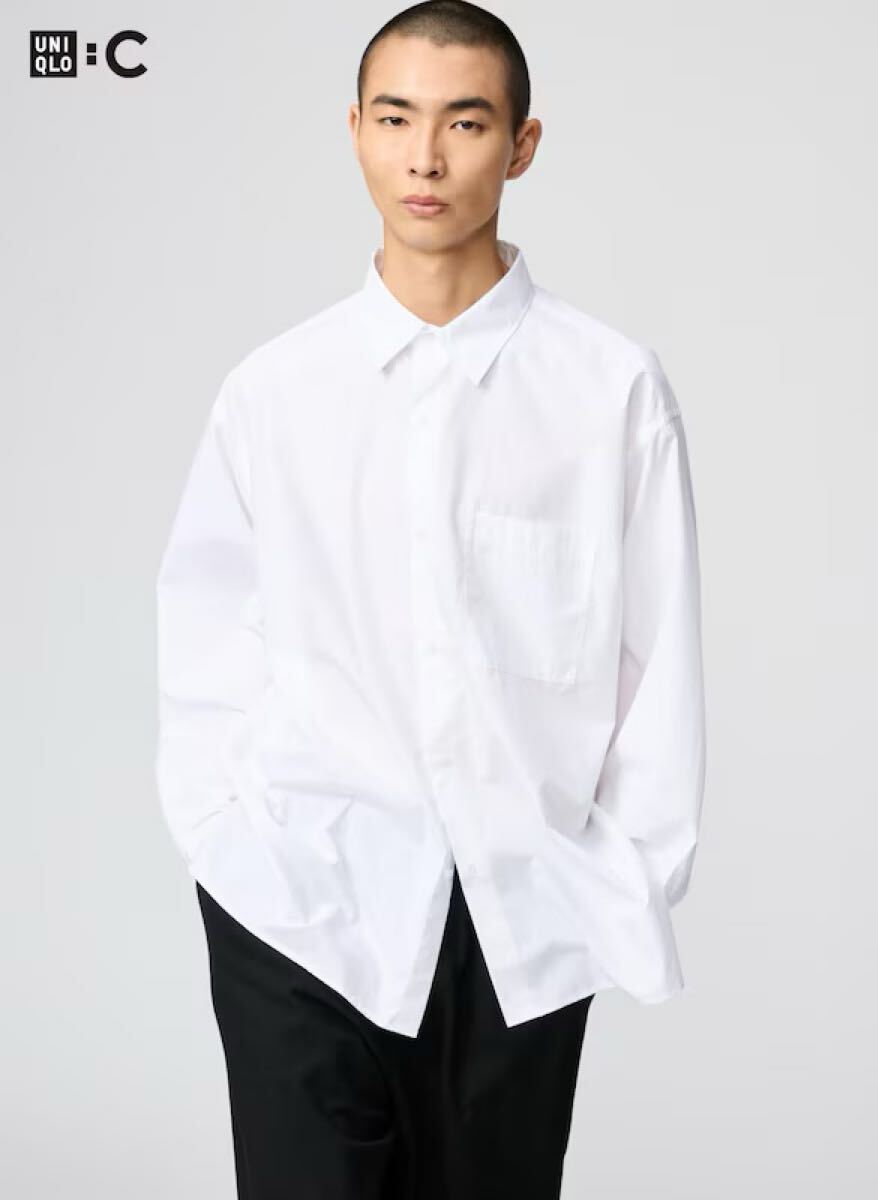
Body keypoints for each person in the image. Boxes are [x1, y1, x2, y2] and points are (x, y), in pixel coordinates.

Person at [153, 1, 707, 1196]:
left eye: (465, 122)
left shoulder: (608, 390)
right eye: (396, 118)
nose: (426, 157)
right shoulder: (275, 393)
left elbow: (660, 659)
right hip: (299, 898)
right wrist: (229, 840)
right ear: (355, 130)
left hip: (518, 919)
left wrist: (613, 884)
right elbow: (204, 635)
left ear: (521, 144)